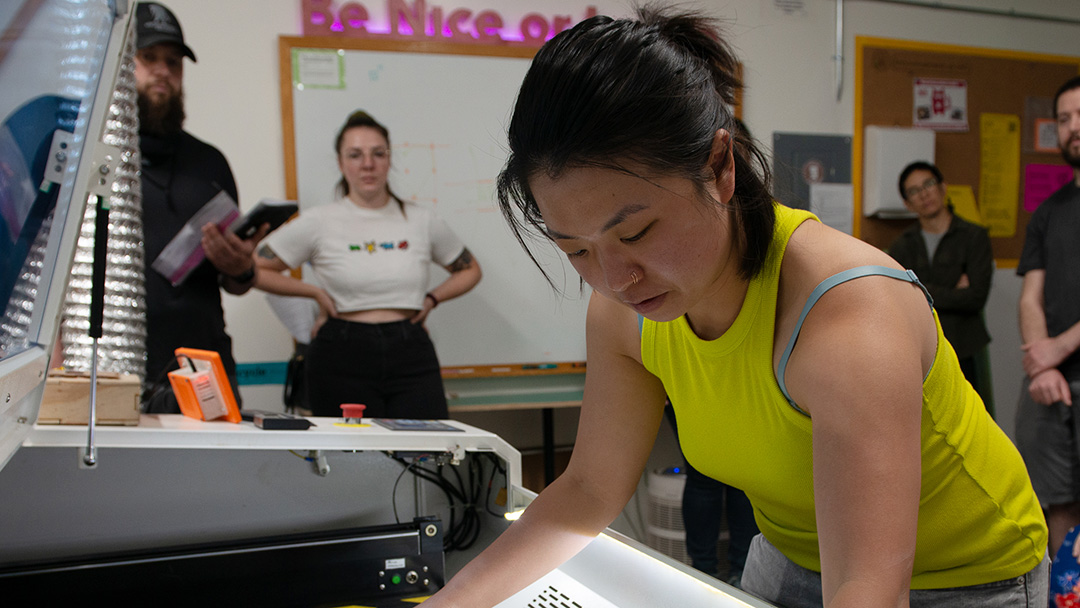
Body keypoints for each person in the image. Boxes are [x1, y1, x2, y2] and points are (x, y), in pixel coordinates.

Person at [423, 7, 1048, 608]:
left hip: (965, 575)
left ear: (720, 167)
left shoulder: (848, 314)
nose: (616, 278)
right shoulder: (623, 311)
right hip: (792, 554)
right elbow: (588, 489)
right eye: (577, 249)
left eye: (636, 233)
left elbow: (869, 586)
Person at [253, 110, 481, 419]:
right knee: (349, 458)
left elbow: (470, 270)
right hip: (340, 353)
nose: (368, 164)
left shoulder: (422, 220)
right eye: (355, 155)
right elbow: (254, 269)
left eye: (378, 153)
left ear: (389, 159)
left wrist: (431, 299)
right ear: (341, 162)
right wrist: (315, 294)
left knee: (423, 454)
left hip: (410, 349)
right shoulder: (319, 221)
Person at [135, 2, 266, 412]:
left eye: (173, 62)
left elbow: (236, 283)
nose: (163, 71)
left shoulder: (210, 163)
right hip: (117, 368)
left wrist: (241, 267)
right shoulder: (97, 159)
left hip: (204, 369)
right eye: (149, 58)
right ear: (123, 67)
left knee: (215, 476)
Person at [1014, 75, 1080, 560]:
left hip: (1063, 362)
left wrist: (1060, 347)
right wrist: (1043, 365)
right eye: (1064, 119)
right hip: (1051, 385)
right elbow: (1030, 297)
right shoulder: (1048, 211)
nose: (1073, 127)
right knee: (1058, 505)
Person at [888, 161, 994, 409]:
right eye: (914, 191)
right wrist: (954, 291)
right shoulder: (902, 246)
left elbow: (976, 297)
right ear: (907, 203)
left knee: (970, 424)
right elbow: (899, 302)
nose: (924, 194)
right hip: (920, 351)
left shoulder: (974, 237)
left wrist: (923, 291)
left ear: (943, 187)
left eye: (928, 184)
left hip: (965, 349)